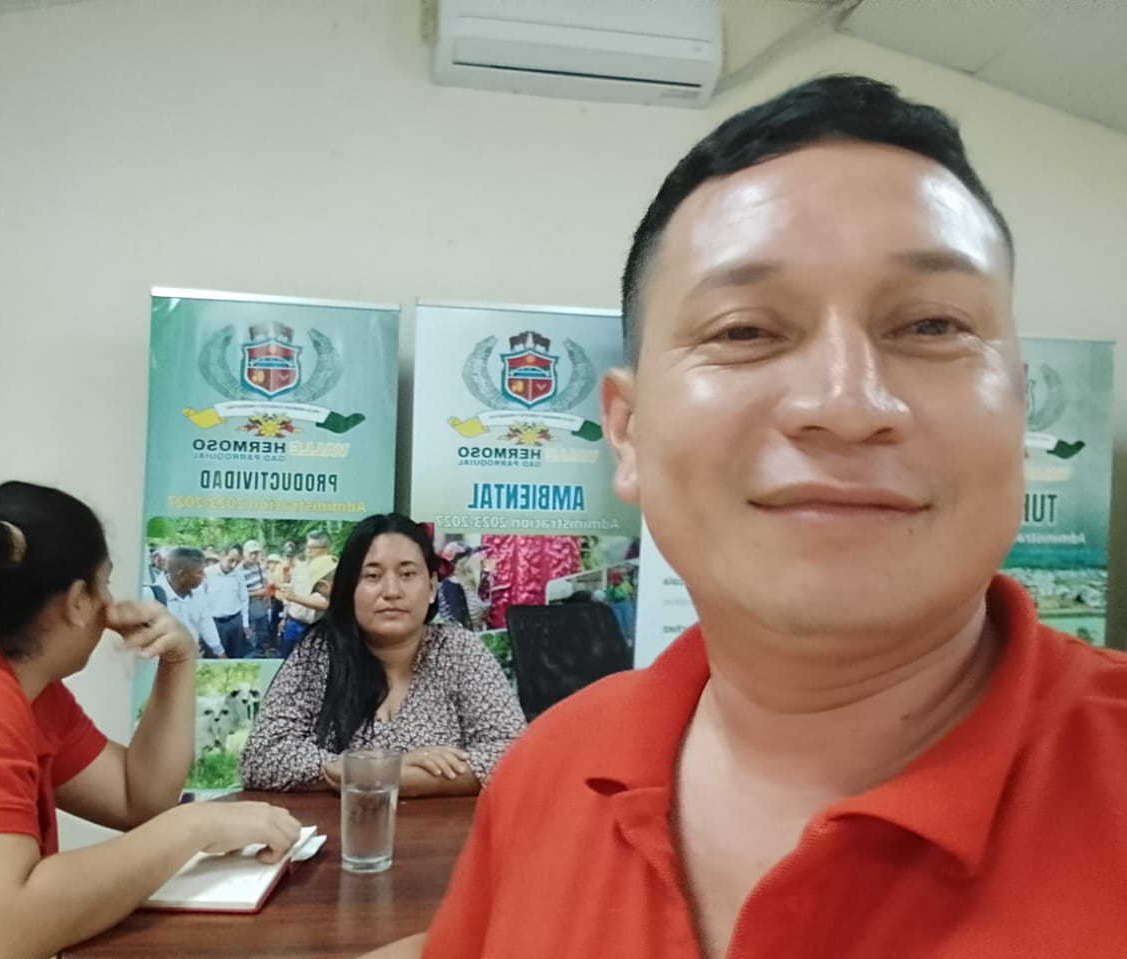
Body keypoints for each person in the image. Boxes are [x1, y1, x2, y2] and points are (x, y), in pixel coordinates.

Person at [368, 75, 1127, 959]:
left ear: (1020, 410)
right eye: (743, 330)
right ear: (628, 431)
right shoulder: (551, 768)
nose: (846, 404)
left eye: (931, 325)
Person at [0, 481, 301, 959]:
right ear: (77, 600)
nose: (111, 606)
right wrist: (192, 827)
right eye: (104, 583)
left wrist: (178, 659)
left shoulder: (12, 686)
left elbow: (138, 798)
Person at [239, 513, 526, 797]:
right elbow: (261, 757)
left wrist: (384, 776)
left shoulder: (459, 650)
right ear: (350, 589)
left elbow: (515, 756)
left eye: (407, 574)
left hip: (448, 826)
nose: (391, 591)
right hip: (345, 825)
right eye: (373, 576)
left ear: (431, 587)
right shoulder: (320, 653)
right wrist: (387, 767)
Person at [160, 547, 225, 659]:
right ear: (182, 574)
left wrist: (219, 651)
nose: (204, 576)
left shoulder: (198, 592)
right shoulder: (154, 597)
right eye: (199, 572)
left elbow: (205, 621)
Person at [276, 529, 333, 654]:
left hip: (316, 627)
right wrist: (284, 618)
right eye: (307, 546)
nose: (308, 551)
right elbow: (289, 595)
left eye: (313, 547)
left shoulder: (331, 572)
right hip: (293, 623)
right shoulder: (299, 568)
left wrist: (295, 597)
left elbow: (327, 604)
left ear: (326, 549)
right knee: (286, 659)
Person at [206, 543, 251, 659]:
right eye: (231, 560)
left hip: (235, 622)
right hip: (215, 624)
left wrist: (245, 623)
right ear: (222, 555)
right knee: (216, 659)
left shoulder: (238, 575)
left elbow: (244, 599)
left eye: (237, 562)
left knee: (237, 658)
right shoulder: (207, 574)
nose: (233, 565)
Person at [241, 539, 274, 657]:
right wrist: (258, 593)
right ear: (244, 553)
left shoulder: (261, 567)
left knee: (262, 632)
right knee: (251, 634)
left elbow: (266, 585)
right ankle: (251, 655)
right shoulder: (239, 570)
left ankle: (260, 652)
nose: (254, 556)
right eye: (251, 553)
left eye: (256, 553)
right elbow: (239, 594)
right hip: (249, 606)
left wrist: (267, 600)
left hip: (262, 605)